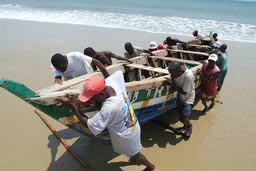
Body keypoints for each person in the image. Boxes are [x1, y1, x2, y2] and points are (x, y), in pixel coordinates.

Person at [57, 70, 155, 171]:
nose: (91, 101)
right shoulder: (111, 82)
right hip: (133, 125)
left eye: (92, 98)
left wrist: (72, 106)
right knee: (133, 153)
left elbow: (90, 126)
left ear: (102, 93)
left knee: (136, 154)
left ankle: (150, 167)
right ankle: (134, 158)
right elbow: (119, 72)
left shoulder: (110, 107)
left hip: (126, 136)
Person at [163, 61, 195, 138]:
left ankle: (189, 127)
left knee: (183, 118)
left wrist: (171, 84)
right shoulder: (177, 73)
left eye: (172, 74)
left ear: (179, 71)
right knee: (181, 115)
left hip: (188, 99)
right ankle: (184, 127)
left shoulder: (188, 76)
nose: (171, 75)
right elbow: (174, 79)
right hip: (180, 97)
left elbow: (184, 92)